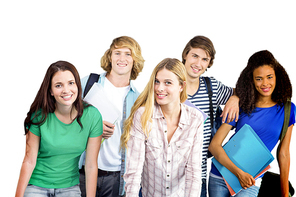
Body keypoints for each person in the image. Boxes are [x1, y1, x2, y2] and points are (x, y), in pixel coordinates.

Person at [208, 50, 295, 197]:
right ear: (252, 81)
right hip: (220, 176)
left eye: (269, 77)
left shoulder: (287, 109)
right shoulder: (242, 106)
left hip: (250, 181)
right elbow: (214, 146)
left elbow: (284, 153)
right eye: (259, 79)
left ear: (277, 77)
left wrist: (285, 194)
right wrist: (239, 173)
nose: (265, 83)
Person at [15, 61, 103, 197]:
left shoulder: (92, 116)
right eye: (58, 85)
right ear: (50, 90)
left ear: (78, 85)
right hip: (37, 185)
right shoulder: (39, 116)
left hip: (70, 187)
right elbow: (29, 160)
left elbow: (91, 165)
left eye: (71, 83)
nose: (66, 90)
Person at [122, 58, 204, 196]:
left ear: (181, 86)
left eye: (168, 83)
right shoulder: (143, 115)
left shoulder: (195, 119)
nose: (159, 88)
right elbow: (134, 171)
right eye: (157, 81)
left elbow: (194, 173)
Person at [79, 36, 145, 197]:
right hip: (81, 173)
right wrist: (92, 128)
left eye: (128, 54)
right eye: (117, 53)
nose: (122, 58)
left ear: (135, 60)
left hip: (117, 177)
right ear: (110, 56)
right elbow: (62, 119)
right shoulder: (88, 84)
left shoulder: (139, 99)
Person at [181, 35, 239, 197]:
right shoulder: (169, 84)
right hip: (165, 177)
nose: (198, 64)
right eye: (194, 56)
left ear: (209, 63)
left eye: (204, 59)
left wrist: (235, 97)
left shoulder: (211, 87)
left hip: (197, 178)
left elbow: (243, 91)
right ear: (185, 54)